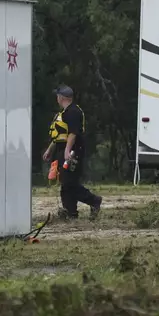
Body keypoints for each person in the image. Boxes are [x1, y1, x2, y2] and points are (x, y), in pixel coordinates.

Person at [43, 85, 102, 220]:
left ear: (61, 97)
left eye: (57, 96)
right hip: (63, 150)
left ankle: (93, 200)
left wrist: (67, 150)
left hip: (73, 152)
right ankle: (71, 213)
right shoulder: (63, 113)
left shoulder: (73, 112)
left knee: (70, 183)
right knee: (66, 183)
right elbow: (60, 135)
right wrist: (49, 149)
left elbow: (73, 133)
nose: (56, 98)